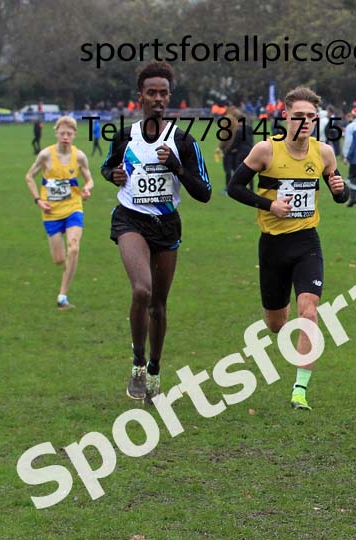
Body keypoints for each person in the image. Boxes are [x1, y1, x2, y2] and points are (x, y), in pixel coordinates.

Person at [228, 86, 348, 410]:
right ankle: (290, 347)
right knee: (277, 324)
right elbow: (234, 187)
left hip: (307, 242)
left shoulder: (324, 153)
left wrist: (340, 189)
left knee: (308, 311)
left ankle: (300, 391)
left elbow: (340, 193)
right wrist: (268, 205)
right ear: (286, 117)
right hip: (272, 246)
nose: (305, 122)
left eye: (312, 117)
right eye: (299, 117)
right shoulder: (265, 151)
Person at [100, 61, 212, 404]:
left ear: (169, 97)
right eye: (152, 92)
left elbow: (204, 192)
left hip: (166, 224)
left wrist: (175, 166)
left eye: (164, 93)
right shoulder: (124, 135)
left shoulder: (183, 141)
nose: (158, 98)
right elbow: (108, 167)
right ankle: (136, 362)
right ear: (140, 97)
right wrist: (113, 175)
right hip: (130, 219)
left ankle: (154, 368)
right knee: (142, 291)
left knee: (159, 305)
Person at [25, 116, 95, 309]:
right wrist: (38, 200)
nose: (65, 136)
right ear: (56, 133)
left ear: (74, 135)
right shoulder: (46, 155)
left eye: (69, 133)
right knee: (59, 260)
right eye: (62, 133)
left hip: (73, 207)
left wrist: (87, 188)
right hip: (51, 212)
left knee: (74, 248)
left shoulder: (79, 156)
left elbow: (89, 179)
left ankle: (62, 295)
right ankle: (65, 272)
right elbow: (29, 176)